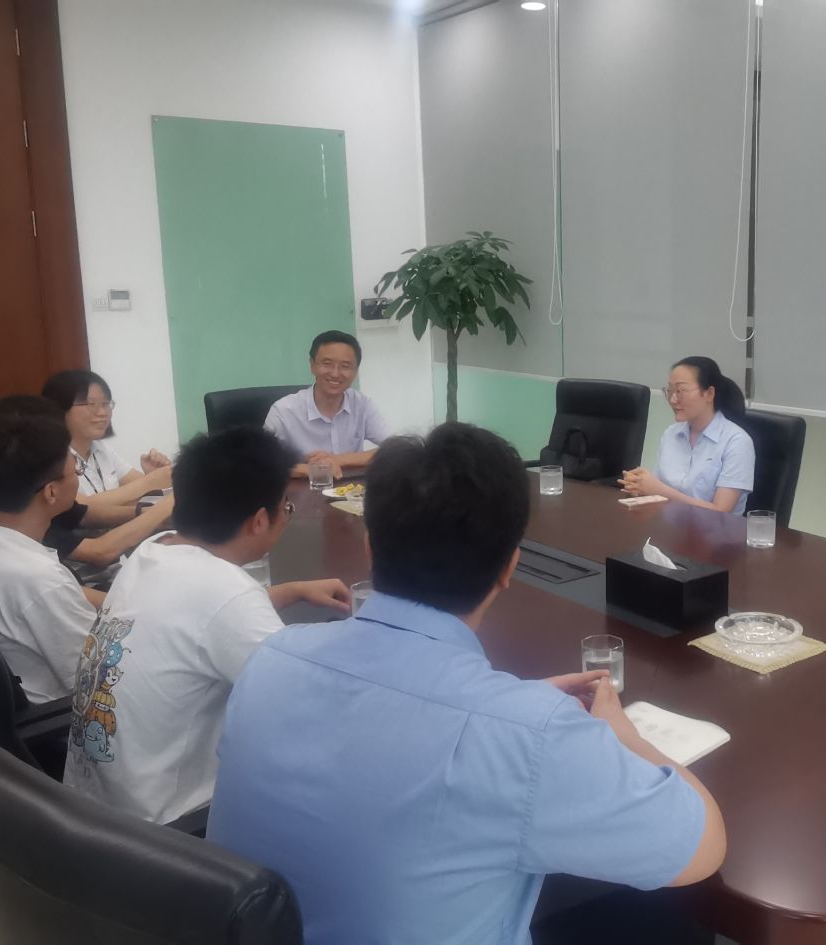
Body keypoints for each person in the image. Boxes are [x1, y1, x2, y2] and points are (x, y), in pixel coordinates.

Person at [209, 423, 726, 945]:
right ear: (510, 568)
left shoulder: (271, 660)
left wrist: (515, 710)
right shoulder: (526, 737)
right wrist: (622, 735)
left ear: (370, 547)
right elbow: (702, 848)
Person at [64, 427, 350, 826]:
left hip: (90, 807)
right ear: (259, 520)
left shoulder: (156, 549)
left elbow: (194, 616)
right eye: (286, 507)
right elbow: (309, 710)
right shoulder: (227, 594)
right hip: (167, 829)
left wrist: (289, 591)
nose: (287, 515)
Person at [0, 397, 101, 703]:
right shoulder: (40, 580)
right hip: (67, 716)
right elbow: (100, 683)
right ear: (51, 492)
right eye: (76, 470)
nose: (78, 476)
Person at [0, 396, 175, 570]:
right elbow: (100, 552)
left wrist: (147, 512)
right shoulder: (12, 514)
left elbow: (84, 513)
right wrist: (164, 505)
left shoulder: (14, 479)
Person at [620, 356, 755, 514]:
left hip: (714, 529)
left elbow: (721, 512)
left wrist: (659, 490)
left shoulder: (737, 442)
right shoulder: (671, 434)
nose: (673, 399)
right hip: (667, 525)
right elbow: (656, 491)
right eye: (670, 391)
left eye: (680, 391)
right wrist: (638, 487)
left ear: (709, 393)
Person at [262, 329, 392, 479]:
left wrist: (338, 460)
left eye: (345, 366)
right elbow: (260, 462)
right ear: (312, 366)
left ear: (356, 372)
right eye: (327, 364)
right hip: (303, 490)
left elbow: (396, 449)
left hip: (350, 490)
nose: (335, 373)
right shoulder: (283, 411)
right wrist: (309, 469)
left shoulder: (362, 405)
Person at [42, 369, 173, 501]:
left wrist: (154, 475)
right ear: (60, 407)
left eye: (105, 404)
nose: (103, 412)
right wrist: (150, 482)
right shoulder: (49, 457)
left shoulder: (101, 448)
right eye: (91, 404)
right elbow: (83, 508)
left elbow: (142, 489)